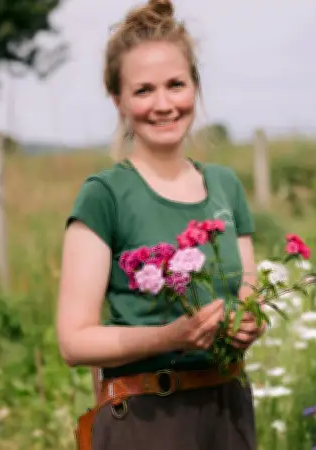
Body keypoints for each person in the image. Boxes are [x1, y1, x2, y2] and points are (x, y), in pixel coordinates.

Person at [55, 1, 265, 448]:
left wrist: (252, 322)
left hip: (227, 409)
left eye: (176, 84)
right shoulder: (105, 195)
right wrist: (170, 338)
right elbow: (74, 342)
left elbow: (247, 289)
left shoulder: (225, 185)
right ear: (119, 100)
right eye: (144, 90)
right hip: (146, 420)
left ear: (196, 88)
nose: (164, 104)